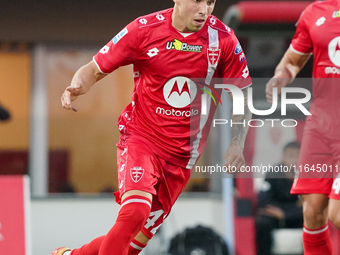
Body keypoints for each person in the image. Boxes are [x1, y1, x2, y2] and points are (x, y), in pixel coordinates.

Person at [53, 0, 252, 254]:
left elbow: (242, 94)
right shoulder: (143, 29)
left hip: (182, 157)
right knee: (135, 211)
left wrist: (237, 141)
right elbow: (94, 69)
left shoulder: (223, 39)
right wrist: (78, 85)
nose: (204, 10)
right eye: (197, 1)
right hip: (141, 138)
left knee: (133, 243)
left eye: (210, 2)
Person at [265, 0, 340, 254]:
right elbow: (293, 61)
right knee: (312, 211)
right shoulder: (315, 11)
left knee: (336, 213)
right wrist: (280, 77)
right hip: (320, 125)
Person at [255, 142, 303, 255]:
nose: (294, 160)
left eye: (298, 156)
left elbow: (309, 203)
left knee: (316, 220)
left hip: (297, 216)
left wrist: (286, 213)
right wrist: (280, 212)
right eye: (291, 156)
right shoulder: (273, 173)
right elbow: (263, 201)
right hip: (275, 215)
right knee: (262, 222)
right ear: (283, 157)